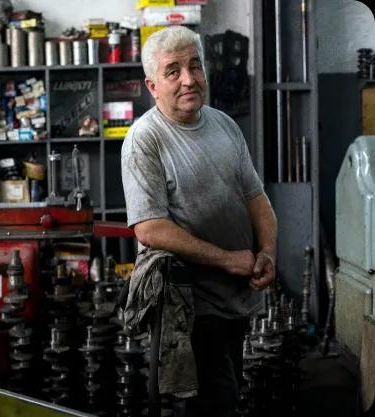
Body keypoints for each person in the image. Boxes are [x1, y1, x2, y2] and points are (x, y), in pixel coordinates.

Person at [121, 26, 277, 417]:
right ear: (152, 86)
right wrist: (227, 259)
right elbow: (149, 227)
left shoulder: (225, 125)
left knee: (231, 387)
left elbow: (256, 198)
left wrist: (267, 253)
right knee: (216, 400)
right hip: (191, 304)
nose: (189, 79)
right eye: (173, 71)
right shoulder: (145, 139)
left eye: (195, 66)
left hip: (238, 296)